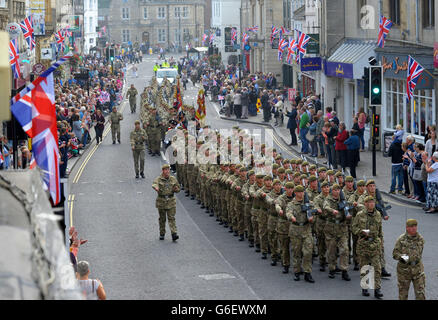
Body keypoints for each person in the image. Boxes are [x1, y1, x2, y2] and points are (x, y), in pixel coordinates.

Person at [352, 196, 384, 299]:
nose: (371, 204)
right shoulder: (360, 215)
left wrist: (381, 241)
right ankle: (365, 287)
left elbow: (380, 230)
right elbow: (354, 227)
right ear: (365, 204)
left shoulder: (378, 214)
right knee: (365, 267)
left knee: (377, 268)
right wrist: (361, 232)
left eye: (373, 202)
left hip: (375, 244)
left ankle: (377, 289)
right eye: (369, 202)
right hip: (364, 244)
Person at [286, 185, 315, 283]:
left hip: (306, 230)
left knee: (308, 252)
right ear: (295, 193)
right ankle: (297, 271)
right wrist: (291, 217)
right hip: (295, 230)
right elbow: (288, 212)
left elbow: (315, 209)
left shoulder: (309, 203)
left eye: (302, 192)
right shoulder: (291, 204)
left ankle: (307, 272)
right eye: (299, 192)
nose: (301, 194)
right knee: (296, 252)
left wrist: (313, 215)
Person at [392, 219, 426, 300]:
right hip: (404, 271)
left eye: (415, 226)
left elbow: (420, 253)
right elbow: (395, 254)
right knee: (403, 295)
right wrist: (402, 257)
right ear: (407, 228)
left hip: (418, 270)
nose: (414, 228)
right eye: (411, 227)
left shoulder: (420, 238)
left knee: (421, 295)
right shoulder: (401, 239)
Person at [152, 164, 181, 241]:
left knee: (171, 218)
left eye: (168, 169)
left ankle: (174, 233)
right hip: (161, 201)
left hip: (171, 201)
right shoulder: (159, 179)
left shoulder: (173, 179)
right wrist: (156, 187)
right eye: (166, 170)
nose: (167, 171)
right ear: (163, 171)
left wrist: (176, 189)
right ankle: (162, 233)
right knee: (162, 219)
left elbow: (178, 189)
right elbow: (154, 184)